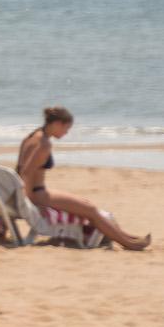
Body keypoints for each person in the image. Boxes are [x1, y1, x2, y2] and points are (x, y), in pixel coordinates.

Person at [18, 105, 150, 251]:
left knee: (87, 204)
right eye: (66, 128)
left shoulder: (31, 137)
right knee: (91, 210)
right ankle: (129, 244)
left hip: (39, 192)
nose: (66, 133)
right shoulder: (43, 144)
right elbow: (26, 172)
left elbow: (20, 169)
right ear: (57, 124)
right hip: (38, 195)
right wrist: (31, 202)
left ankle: (129, 237)